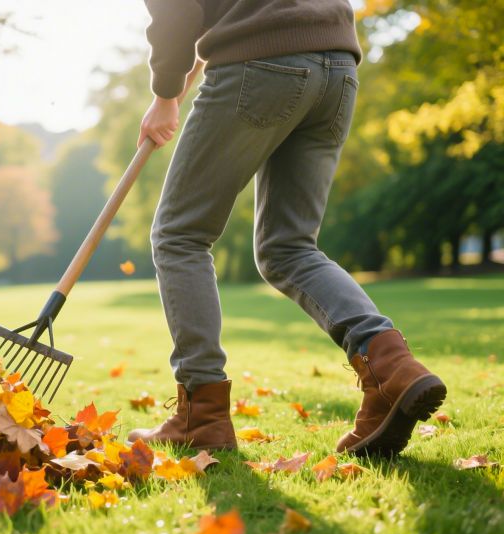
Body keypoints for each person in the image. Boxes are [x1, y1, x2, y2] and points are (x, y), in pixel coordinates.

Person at [126, 0, 447, 456]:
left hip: (259, 62)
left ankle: (202, 415)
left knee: (181, 236)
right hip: (337, 64)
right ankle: (391, 368)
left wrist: (164, 94)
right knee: (288, 247)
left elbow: (176, 9)